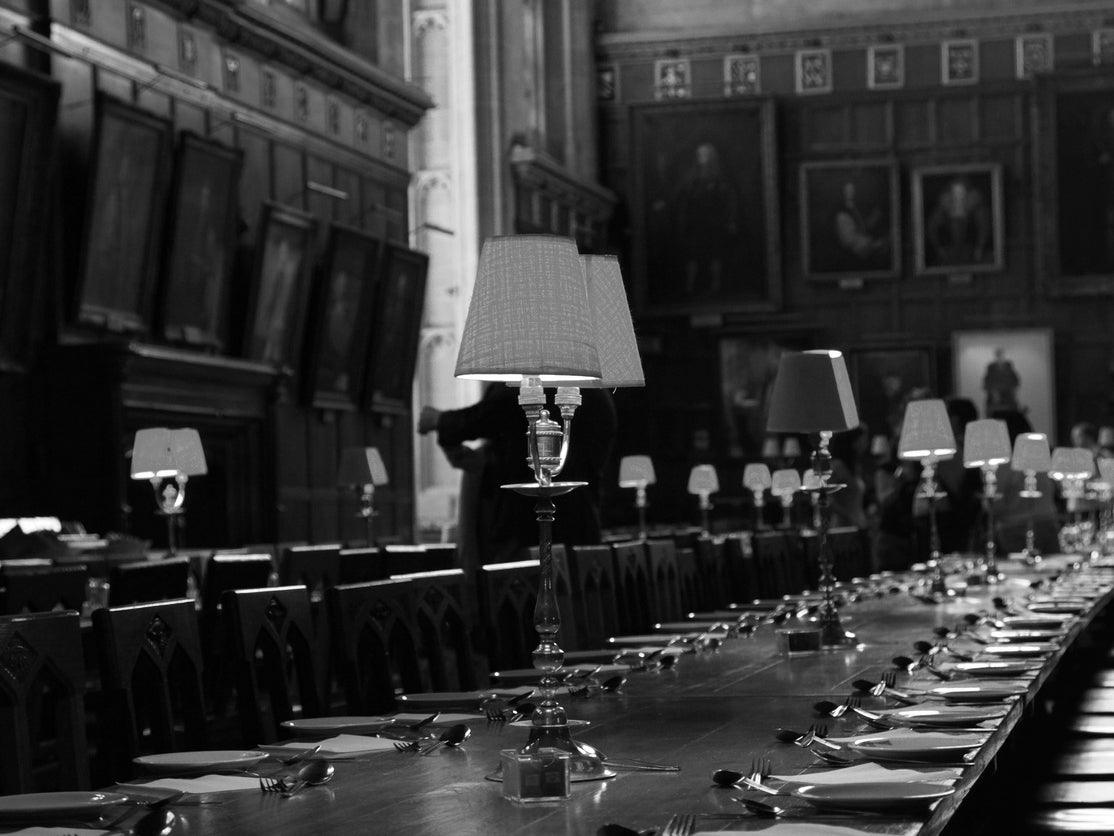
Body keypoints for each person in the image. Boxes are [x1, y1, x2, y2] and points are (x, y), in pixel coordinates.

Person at [418, 385, 618, 565]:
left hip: (525, 530)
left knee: (527, 598)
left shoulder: (541, 383)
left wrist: (441, 421)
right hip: (582, 527)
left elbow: (491, 413)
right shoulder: (595, 389)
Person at [675, 142, 739, 296]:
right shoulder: (691, 178)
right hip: (696, 223)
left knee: (715, 254)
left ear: (712, 156)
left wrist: (731, 220)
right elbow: (683, 201)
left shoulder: (720, 178)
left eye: (705, 154)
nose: (701, 157)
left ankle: (716, 285)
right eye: (700, 154)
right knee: (692, 255)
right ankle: (690, 286)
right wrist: (682, 221)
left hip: (715, 223)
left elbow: (730, 201)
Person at [925, 176, 991, 267]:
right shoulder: (943, 208)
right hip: (949, 250)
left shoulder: (977, 208)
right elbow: (932, 227)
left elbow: (984, 228)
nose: (958, 195)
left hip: (970, 249)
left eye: (961, 192)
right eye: (955, 192)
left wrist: (979, 248)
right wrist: (938, 248)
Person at [830, 178, 890, 271]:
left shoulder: (856, 207)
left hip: (863, 251)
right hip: (851, 258)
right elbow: (850, 240)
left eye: (853, 190)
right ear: (843, 192)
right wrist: (874, 244)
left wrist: (877, 215)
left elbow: (863, 226)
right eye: (848, 191)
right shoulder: (841, 213)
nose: (851, 193)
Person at [983, 348, 1021, 416]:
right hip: (995, 397)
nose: (1000, 358)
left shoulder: (1008, 366)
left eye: (1001, 355)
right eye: (998, 355)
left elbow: (1015, 381)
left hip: (1008, 396)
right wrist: (993, 391)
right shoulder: (991, 367)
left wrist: (1012, 390)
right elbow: (987, 382)